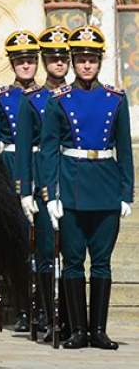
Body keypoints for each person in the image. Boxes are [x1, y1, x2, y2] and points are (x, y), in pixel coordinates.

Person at [39, 25, 134, 350]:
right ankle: (78, 330)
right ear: (74, 62)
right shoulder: (59, 100)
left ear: (99, 61)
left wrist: (126, 192)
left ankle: (99, 331)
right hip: (72, 187)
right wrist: (50, 194)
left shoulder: (115, 99)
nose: (86, 65)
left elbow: (124, 149)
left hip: (105, 187)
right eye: (81, 59)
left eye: (91, 59)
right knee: (74, 260)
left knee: (103, 262)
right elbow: (49, 150)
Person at [14, 25, 70, 342]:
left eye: (63, 58)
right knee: (46, 250)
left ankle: (71, 318)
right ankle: (48, 316)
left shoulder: (75, 96)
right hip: (42, 179)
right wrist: (25, 190)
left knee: (70, 253)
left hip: (73, 179)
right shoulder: (32, 99)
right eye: (52, 58)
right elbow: (23, 148)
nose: (58, 63)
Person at [0, 29, 39, 331]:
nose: (26, 66)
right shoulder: (0, 99)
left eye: (30, 60)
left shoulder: (48, 97)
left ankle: (40, 305)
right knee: (14, 242)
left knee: (38, 244)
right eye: (20, 61)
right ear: (12, 64)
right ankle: (19, 306)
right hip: (10, 168)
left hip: (38, 168)